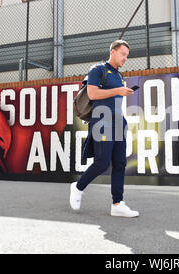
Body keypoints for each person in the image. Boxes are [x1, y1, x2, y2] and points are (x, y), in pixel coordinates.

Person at [69, 40, 139, 218]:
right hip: (102, 120)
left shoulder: (119, 76)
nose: (125, 58)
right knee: (102, 162)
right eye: (123, 54)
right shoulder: (97, 70)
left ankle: (117, 204)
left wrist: (122, 93)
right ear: (113, 52)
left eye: (127, 56)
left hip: (118, 122)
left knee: (120, 164)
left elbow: (115, 99)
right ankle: (78, 187)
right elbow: (92, 94)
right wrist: (118, 91)